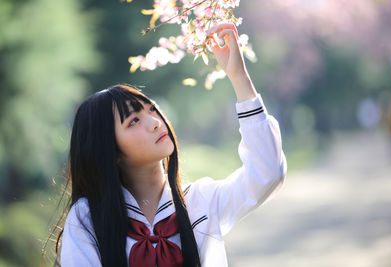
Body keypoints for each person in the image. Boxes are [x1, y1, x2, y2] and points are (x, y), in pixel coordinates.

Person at [54, 23, 287, 267]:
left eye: (152, 109)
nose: (155, 122)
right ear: (109, 151)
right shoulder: (87, 219)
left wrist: (239, 78)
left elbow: (268, 173)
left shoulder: (200, 200)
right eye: (133, 121)